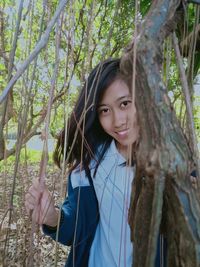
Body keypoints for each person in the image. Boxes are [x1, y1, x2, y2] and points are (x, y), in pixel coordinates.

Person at [26, 58, 196, 267]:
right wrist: (53, 219)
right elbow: (77, 227)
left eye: (125, 104)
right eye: (104, 110)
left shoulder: (176, 160)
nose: (117, 121)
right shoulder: (90, 164)